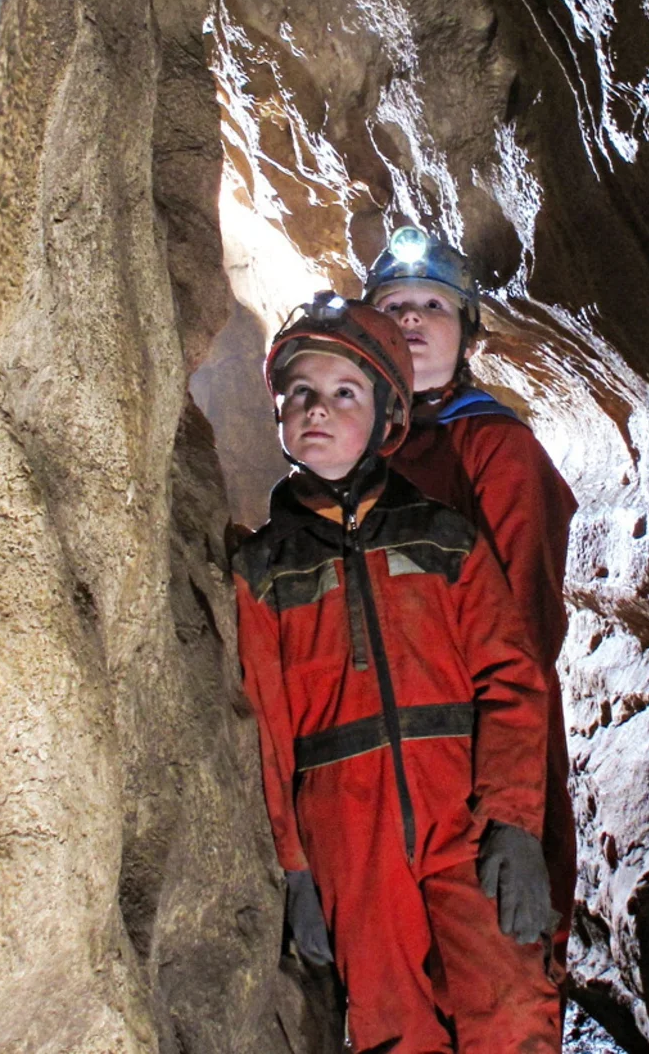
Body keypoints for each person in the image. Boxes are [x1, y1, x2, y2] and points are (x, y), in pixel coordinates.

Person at [232, 293, 562, 1052]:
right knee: (395, 1030)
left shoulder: (446, 540)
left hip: (464, 821)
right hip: (351, 841)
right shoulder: (264, 571)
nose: (318, 409)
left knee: (514, 1009)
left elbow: (511, 681)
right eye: (301, 395)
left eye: (344, 393)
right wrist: (296, 872)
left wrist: (513, 822)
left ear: (385, 417)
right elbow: (269, 734)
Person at [366, 227, 580, 980]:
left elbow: (521, 636)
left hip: (479, 764)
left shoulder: (494, 450)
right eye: (394, 307)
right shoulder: (348, 458)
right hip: (381, 774)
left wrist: (514, 815)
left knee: (499, 986)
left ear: (467, 333)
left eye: (434, 306)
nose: (414, 322)